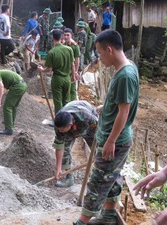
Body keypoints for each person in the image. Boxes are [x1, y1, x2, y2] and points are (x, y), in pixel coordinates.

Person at [73, 29, 139, 225]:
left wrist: (110, 140)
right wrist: (104, 106)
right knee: (112, 176)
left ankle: (82, 222)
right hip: (115, 137)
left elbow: (124, 112)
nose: (100, 57)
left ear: (109, 49)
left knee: (98, 180)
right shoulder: (128, 68)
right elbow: (120, 103)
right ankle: (109, 216)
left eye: (100, 53)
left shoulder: (125, 75)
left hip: (115, 140)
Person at [53, 101, 98, 188]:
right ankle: (69, 178)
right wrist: (58, 168)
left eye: (62, 130)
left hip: (89, 124)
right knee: (65, 149)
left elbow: (98, 127)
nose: (59, 131)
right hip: (73, 125)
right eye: (59, 129)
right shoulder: (59, 126)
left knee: (99, 151)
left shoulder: (85, 116)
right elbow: (59, 147)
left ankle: (99, 178)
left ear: (70, 125)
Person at [38, 29, 76, 114]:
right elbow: (72, 65)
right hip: (67, 79)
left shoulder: (52, 52)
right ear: (61, 37)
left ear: (52, 38)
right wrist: (73, 76)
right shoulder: (69, 49)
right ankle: (67, 119)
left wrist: (41, 70)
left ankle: (59, 122)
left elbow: (49, 69)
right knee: (66, 100)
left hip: (57, 79)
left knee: (58, 101)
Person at [63, 28, 80, 101]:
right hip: (64, 70)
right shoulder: (63, 45)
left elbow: (77, 60)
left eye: (68, 35)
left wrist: (75, 71)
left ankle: (73, 103)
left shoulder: (75, 46)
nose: (66, 37)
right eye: (65, 35)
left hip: (72, 70)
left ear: (71, 36)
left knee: (72, 89)